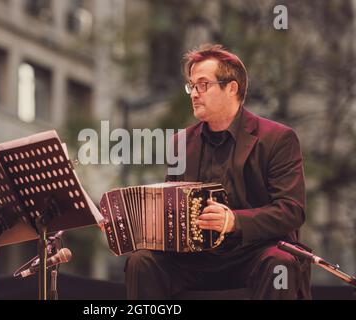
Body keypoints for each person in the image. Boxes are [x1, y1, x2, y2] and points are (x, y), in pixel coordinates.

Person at [124, 44, 311, 300]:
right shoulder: (181, 142)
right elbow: (171, 206)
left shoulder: (278, 139)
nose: (194, 94)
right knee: (141, 261)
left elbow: (291, 211)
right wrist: (125, 223)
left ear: (231, 88)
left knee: (280, 264)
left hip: (255, 253)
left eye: (203, 84)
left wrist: (233, 220)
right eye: (191, 86)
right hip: (197, 257)